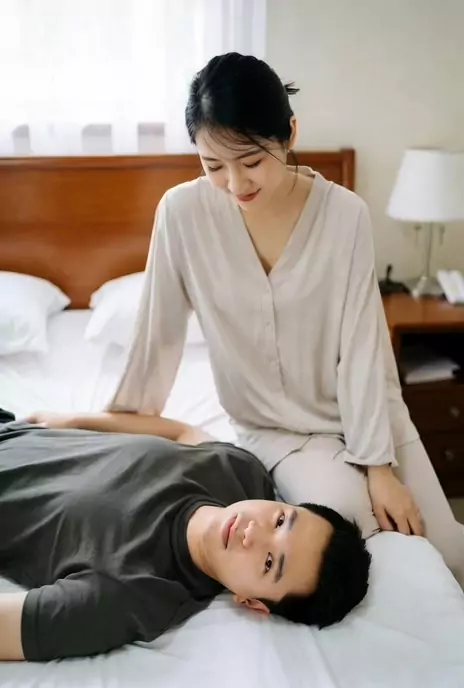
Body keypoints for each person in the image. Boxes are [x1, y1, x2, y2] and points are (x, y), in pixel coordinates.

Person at [42, 53, 464, 583]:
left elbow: (362, 348)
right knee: (354, 527)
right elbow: (156, 340)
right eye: (213, 166)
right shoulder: (182, 214)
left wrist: (378, 466)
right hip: (276, 431)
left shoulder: (344, 215)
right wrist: (109, 432)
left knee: (449, 552)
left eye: (251, 161)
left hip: (372, 414)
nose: (235, 182)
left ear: (289, 134)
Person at [0, 409, 370, 663]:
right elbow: (183, 432)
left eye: (270, 563)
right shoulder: (241, 472)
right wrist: (74, 420)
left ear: (253, 602)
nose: (252, 532)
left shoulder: (132, 596)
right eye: (280, 521)